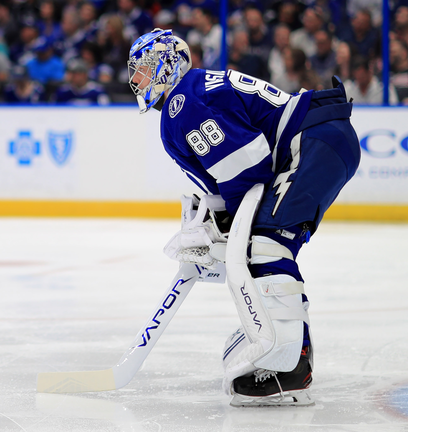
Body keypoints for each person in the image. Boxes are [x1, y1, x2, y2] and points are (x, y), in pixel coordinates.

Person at [128, 28, 360, 406]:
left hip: (313, 141)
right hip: (320, 138)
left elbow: (248, 167)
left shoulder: (183, 103)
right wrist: (222, 219)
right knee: (266, 243)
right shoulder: (190, 94)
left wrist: (230, 223)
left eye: (145, 68)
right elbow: (243, 168)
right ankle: (291, 348)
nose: (136, 80)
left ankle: (288, 364)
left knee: (267, 243)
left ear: (168, 64)